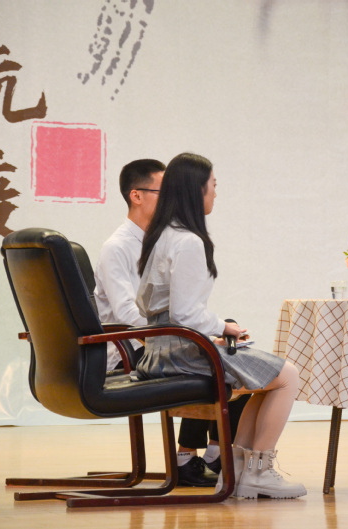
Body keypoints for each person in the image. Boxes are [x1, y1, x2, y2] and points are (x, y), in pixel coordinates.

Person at [134, 152, 306, 499]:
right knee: (288, 376)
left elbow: (154, 306)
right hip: (179, 354)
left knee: (265, 380)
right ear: (197, 190)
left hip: (161, 351)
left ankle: (239, 472)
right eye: (213, 185)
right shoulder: (188, 241)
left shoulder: (161, 235)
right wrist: (223, 328)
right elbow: (185, 314)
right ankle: (258, 472)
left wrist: (212, 330)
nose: (215, 192)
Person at [93, 158, 249, 488]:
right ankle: (191, 457)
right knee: (224, 360)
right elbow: (128, 315)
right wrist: (188, 338)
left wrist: (199, 334)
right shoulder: (117, 247)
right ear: (136, 196)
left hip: (157, 338)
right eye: (162, 191)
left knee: (231, 347)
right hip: (128, 349)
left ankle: (210, 453)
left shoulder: (163, 237)